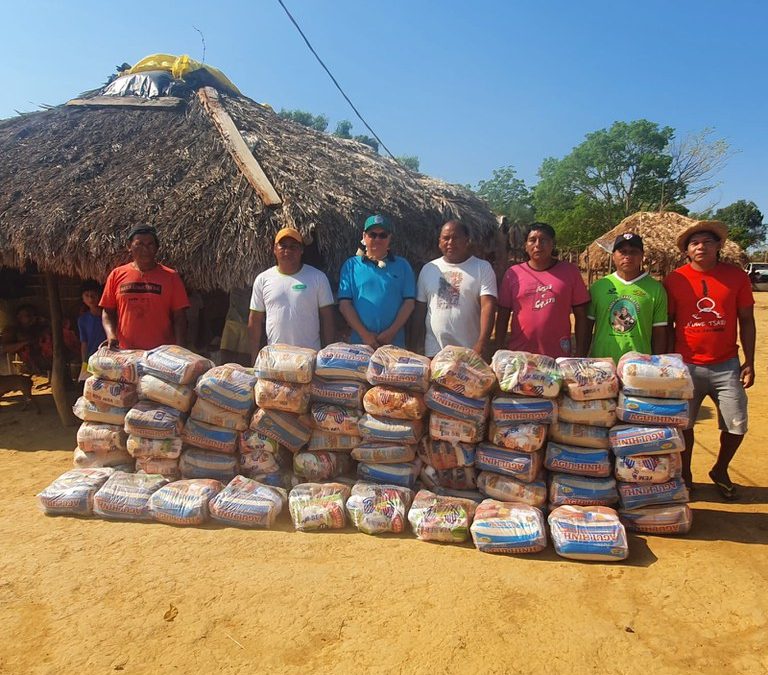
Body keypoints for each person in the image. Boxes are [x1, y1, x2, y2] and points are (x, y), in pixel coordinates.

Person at [665, 220, 755, 500]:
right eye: (694, 243)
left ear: (718, 246)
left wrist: (749, 361)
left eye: (707, 241)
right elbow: (667, 324)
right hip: (686, 365)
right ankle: (686, 474)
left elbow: (747, 320)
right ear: (687, 251)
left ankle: (720, 469)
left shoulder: (736, 277)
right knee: (684, 426)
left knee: (736, 423)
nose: (701, 246)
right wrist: (668, 363)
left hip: (726, 364)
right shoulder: (675, 280)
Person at [494, 222, 590, 358]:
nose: (538, 245)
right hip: (520, 355)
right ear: (525, 245)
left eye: (544, 240)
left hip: (558, 355)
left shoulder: (570, 272)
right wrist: (499, 349)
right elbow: (503, 315)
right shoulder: (513, 273)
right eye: (532, 240)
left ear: (553, 244)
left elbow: (581, 316)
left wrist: (580, 353)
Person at [412, 219, 497, 357]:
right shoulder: (428, 269)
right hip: (434, 352)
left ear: (467, 240)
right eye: (446, 238)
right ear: (439, 242)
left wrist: (482, 343)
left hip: (469, 352)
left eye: (456, 238)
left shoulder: (482, 268)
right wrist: (415, 345)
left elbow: (488, 306)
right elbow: (420, 311)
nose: (450, 242)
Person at [248, 228, 335, 358]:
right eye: (283, 246)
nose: (287, 250)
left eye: (293, 246)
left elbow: (328, 318)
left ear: (301, 250)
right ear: (274, 249)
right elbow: (254, 320)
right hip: (275, 359)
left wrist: (327, 356)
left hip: (310, 357)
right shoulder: (263, 279)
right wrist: (254, 358)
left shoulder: (318, 277)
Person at [100, 225, 190, 350]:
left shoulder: (171, 277)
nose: (145, 249)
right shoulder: (116, 275)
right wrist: (111, 335)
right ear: (129, 246)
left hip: (162, 354)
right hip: (127, 353)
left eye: (150, 244)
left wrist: (181, 349)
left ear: (157, 248)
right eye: (139, 244)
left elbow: (180, 317)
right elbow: (107, 311)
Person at [586, 233, 667, 364]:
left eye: (633, 252)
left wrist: (656, 363)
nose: (628, 256)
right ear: (613, 255)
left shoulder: (655, 289)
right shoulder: (599, 287)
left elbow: (659, 332)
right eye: (622, 252)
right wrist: (583, 358)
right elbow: (587, 327)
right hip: (603, 362)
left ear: (641, 256)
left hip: (639, 365)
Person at [337, 214, 416, 349]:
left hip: (394, 344)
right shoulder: (351, 266)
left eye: (382, 235)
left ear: (389, 238)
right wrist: (365, 335)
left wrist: (391, 333)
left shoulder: (403, 265)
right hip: (359, 345)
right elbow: (345, 305)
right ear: (364, 236)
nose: (377, 239)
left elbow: (409, 303)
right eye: (372, 234)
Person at [77, 280, 107, 378]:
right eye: (87, 295)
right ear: (82, 298)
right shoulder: (82, 320)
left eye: (93, 295)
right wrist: (84, 362)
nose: (90, 298)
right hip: (91, 358)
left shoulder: (108, 316)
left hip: (108, 357)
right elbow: (84, 343)